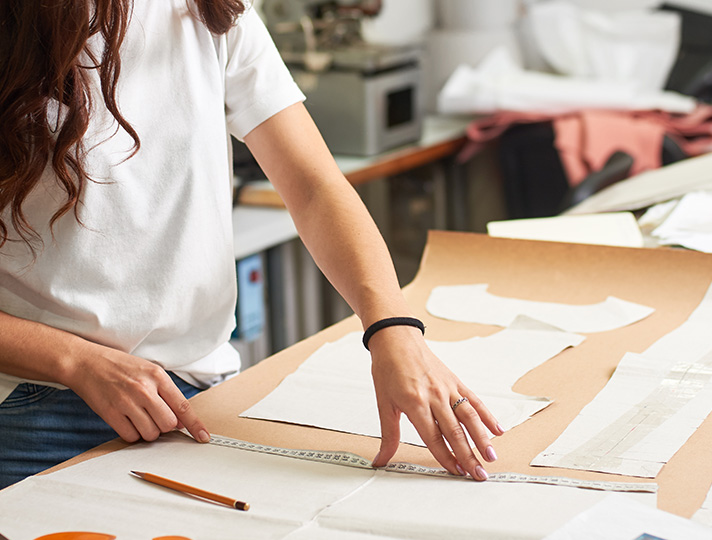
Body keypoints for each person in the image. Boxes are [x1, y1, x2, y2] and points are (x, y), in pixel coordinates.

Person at [0, 0, 503, 490]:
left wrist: (393, 328)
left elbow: (314, 187)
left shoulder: (211, 12)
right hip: (40, 403)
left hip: (194, 394)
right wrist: (76, 360)